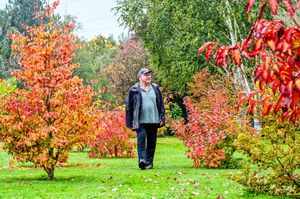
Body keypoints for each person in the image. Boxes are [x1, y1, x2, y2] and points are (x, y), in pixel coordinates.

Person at [126, 68, 165, 170]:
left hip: (153, 120)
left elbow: (161, 104)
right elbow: (128, 107)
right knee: (141, 139)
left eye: (149, 74)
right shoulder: (134, 90)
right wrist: (130, 122)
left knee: (152, 142)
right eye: (146, 74)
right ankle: (142, 160)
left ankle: (149, 162)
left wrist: (162, 118)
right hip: (140, 121)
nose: (148, 76)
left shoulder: (155, 88)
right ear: (140, 77)